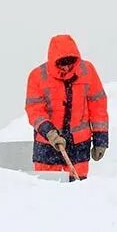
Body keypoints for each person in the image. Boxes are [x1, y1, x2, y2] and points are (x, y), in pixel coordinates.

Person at [23, 34, 109, 180]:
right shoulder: (37, 76)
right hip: (47, 145)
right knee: (47, 189)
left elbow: (98, 105)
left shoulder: (87, 72)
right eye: (62, 62)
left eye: (70, 62)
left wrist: (100, 140)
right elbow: (34, 109)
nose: (67, 67)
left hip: (79, 145)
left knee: (77, 190)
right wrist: (50, 133)